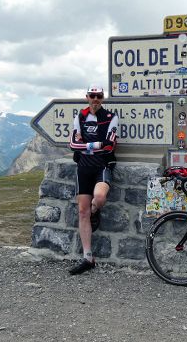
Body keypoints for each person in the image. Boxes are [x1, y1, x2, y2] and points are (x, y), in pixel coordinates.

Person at [68, 84, 118, 275]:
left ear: (103, 98)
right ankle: (88, 257)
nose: (95, 99)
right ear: (87, 97)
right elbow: (73, 144)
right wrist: (95, 144)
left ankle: (95, 211)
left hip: (102, 166)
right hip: (83, 168)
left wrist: (86, 144)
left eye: (99, 96)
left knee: (99, 197)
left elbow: (109, 146)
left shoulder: (110, 117)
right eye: (92, 96)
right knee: (82, 211)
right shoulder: (80, 116)